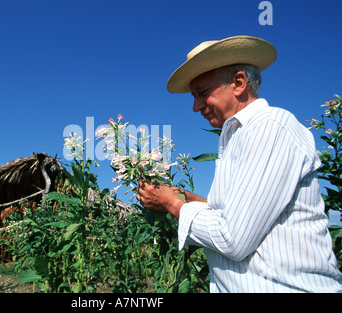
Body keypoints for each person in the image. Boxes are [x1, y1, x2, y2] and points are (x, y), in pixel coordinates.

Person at [137, 35, 342, 292]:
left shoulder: (269, 128)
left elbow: (232, 239)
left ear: (238, 83)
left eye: (202, 93)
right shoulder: (238, 137)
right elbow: (232, 212)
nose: (195, 106)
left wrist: (172, 204)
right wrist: (186, 197)